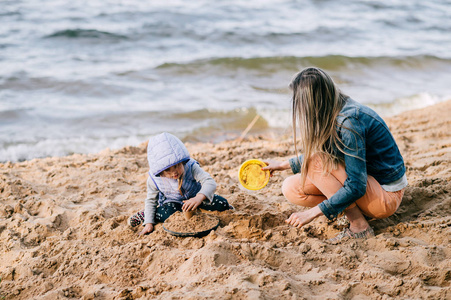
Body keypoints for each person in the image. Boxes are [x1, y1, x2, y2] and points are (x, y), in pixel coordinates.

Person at [263, 67, 407, 243]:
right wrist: (282, 165)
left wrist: (312, 213)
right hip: (369, 183)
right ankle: (349, 208)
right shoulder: (335, 108)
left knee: (316, 161)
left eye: (299, 101)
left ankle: (359, 226)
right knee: (291, 187)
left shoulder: (348, 122)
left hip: (386, 195)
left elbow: (356, 185)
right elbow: (329, 153)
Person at [128, 132, 232, 235]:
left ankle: (200, 204)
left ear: (182, 161)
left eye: (177, 166)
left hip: (196, 198)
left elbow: (209, 182)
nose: (174, 172)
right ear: (160, 172)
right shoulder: (154, 179)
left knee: (222, 204)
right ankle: (145, 215)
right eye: (168, 170)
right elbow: (151, 200)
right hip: (173, 203)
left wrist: (199, 198)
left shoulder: (190, 167)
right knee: (168, 213)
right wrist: (149, 223)